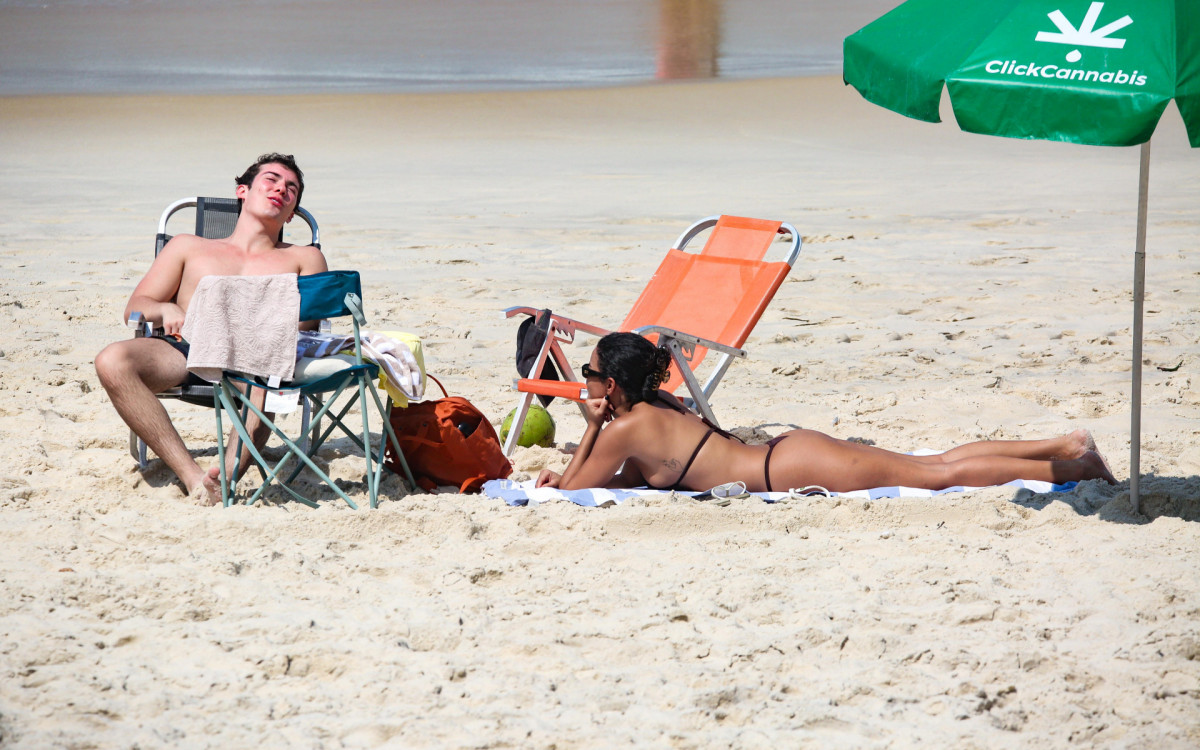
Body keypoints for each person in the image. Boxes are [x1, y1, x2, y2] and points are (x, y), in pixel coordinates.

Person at [536, 332, 1117, 493]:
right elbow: (639, 475)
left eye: (589, 372)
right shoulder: (658, 408)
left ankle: (1074, 465)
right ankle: (1061, 447)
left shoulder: (627, 426)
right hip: (787, 454)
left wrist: (591, 428)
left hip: (789, 468)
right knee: (933, 463)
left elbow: (575, 489)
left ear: (611, 385)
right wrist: (592, 444)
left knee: (938, 474)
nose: (584, 380)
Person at [95, 153, 328, 505]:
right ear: (242, 191)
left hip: (258, 355)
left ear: (292, 212)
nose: (281, 189)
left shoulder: (304, 257)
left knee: (267, 378)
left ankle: (225, 480)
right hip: (187, 348)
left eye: (291, 189)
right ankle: (192, 476)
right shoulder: (188, 246)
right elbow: (137, 305)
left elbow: (309, 321)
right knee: (112, 361)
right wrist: (165, 307)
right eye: (271, 179)